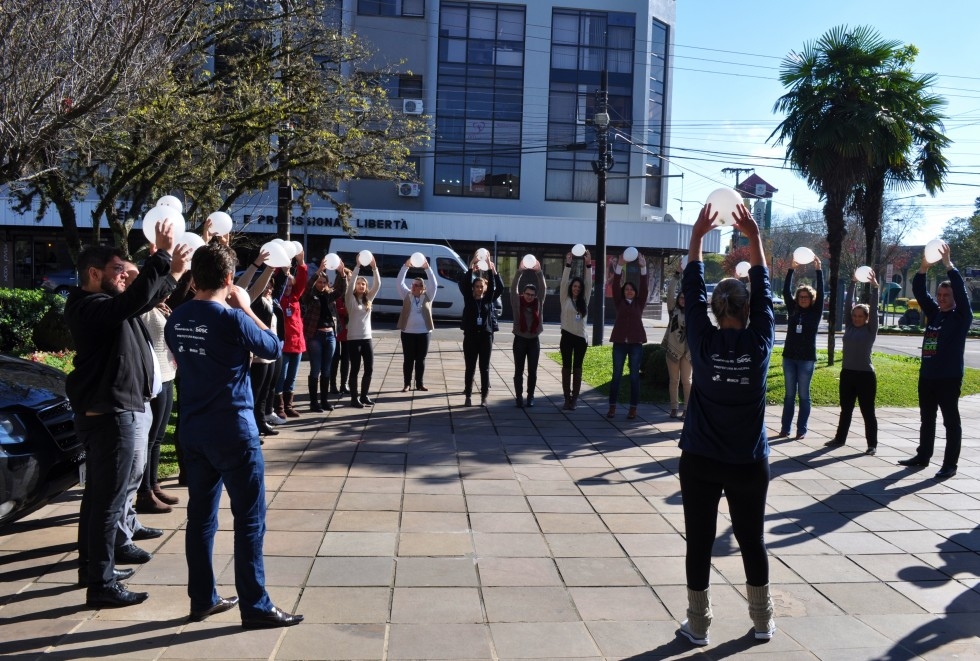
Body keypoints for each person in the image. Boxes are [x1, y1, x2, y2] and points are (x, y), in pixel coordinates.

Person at [164, 242, 303, 629]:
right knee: (249, 519)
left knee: (200, 518)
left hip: (193, 429)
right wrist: (244, 307)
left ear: (194, 279)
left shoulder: (177, 318)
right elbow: (273, 347)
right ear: (228, 279)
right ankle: (255, 606)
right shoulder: (231, 317)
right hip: (232, 430)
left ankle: (202, 598)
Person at [66, 220, 187, 608]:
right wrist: (161, 256)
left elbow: (143, 298)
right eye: (117, 270)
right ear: (93, 274)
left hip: (116, 410)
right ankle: (100, 584)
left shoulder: (107, 305)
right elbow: (130, 300)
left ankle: (92, 568)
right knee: (107, 500)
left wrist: (172, 271)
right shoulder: (92, 306)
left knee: (101, 498)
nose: (124, 276)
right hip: (111, 413)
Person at [677, 202, 775, 647]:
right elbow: (765, 287)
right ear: (748, 309)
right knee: (751, 541)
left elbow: (692, 288)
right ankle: (762, 621)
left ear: (716, 310)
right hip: (748, 462)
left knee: (698, 543)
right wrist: (753, 239)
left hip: (700, 459)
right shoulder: (759, 342)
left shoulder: (701, 338)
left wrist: (698, 236)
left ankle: (698, 627)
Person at [898, 243, 972, 480]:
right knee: (926, 418)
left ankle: (950, 464)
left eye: (946, 296)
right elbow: (920, 292)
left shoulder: (961, 317)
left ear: (955, 298)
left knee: (951, 421)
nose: (941, 299)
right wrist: (922, 268)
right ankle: (923, 456)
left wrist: (949, 265)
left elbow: (959, 289)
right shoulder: (935, 313)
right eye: (939, 295)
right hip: (927, 375)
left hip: (949, 377)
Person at [826, 272, 880, 455]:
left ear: (866, 317)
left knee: (867, 411)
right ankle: (840, 438)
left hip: (865, 376)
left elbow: (873, 310)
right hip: (847, 373)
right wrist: (852, 283)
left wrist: (875, 287)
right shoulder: (848, 326)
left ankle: (872, 444)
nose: (856, 318)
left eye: (860, 316)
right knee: (845, 409)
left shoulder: (871, 329)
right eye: (854, 315)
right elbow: (847, 304)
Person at [778, 254, 824, 439]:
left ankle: (801, 430)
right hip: (789, 358)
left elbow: (820, 290)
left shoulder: (815, 311)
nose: (803, 299)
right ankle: (785, 428)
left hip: (806, 360)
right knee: (789, 396)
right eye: (801, 296)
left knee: (803, 396)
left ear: (811, 298)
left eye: (806, 297)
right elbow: (785, 292)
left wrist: (819, 270)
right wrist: (791, 269)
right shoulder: (793, 309)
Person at [607, 251, 648, 420]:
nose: (629, 291)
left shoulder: (640, 302)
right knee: (616, 375)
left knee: (633, 377)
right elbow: (616, 285)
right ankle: (612, 407)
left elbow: (645, 286)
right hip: (619, 343)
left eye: (632, 290)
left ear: (635, 292)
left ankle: (633, 408)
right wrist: (620, 264)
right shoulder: (619, 301)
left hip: (635, 344)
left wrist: (644, 267)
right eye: (627, 289)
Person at [459, 254, 504, 407]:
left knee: (484, 368)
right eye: (476, 286)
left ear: (484, 288)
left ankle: (484, 397)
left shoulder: (488, 299)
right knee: (470, 367)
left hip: (485, 337)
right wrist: (471, 266)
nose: (479, 288)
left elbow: (495, 286)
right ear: (473, 288)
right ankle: (468, 396)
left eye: (481, 286)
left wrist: (491, 269)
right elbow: (464, 284)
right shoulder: (469, 299)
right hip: (471, 337)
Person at [305, 257, 347, 411]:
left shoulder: (329, 295)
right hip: (315, 336)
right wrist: (317, 273)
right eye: (320, 282)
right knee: (316, 369)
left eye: (324, 282)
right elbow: (306, 289)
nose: (322, 285)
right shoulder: (311, 296)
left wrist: (342, 274)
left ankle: (324, 401)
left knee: (327, 369)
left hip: (330, 336)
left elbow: (342, 290)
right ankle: (313, 402)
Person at [273, 250, 306, 418]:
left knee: (291, 377)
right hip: (284, 345)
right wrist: (282, 267)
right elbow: (278, 281)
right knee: (281, 376)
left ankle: (288, 405)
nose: (288, 288)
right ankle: (279, 408)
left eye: (291, 286)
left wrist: (301, 263)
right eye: (286, 285)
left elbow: (302, 280)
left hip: (297, 344)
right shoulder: (279, 299)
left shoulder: (295, 297)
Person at [559, 250, 593, 411]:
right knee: (566, 367)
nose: (576, 288)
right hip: (566, 336)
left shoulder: (584, 299)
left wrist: (588, 264)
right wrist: (568, 264)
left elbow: (589, 282)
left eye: (579, 287)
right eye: (574, 286)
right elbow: (564, 281)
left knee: (577, 368)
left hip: (580, 339)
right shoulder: (564, 298)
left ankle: (574, 399)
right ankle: (566, 398)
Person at [396, 258, 437, 392]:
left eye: (417, 285)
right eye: (413, 284)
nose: (413, 286)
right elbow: (399, 282)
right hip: (408, 332)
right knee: (408, 359)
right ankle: (406, 384)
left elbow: (434, 284)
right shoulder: (407, 295)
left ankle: (419, 384)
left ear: (423, 288)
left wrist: (427, 268)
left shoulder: (428, 296)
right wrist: (405, 266)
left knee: (421, 359)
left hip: (424, 333)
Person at [346, 257, 381, 408]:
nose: (361, 285)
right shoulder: (350, 299)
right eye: (359, 284)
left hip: (367, 338)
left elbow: (378, 284)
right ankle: (354, 398)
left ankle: (364, 395)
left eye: (363, 284)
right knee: (354, 369)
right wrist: (358, 267)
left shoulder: (368, 299)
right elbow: (350, 285)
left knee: (369, 368)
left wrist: (374, 268)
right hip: (353, 339)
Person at [510, 258, 546, 407]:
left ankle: (530, 396)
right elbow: (513, 288)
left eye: (532, 294)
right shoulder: (517, 302)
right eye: (527, 294)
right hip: (520, 339)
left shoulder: (538, 303)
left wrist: (539, 272)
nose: (530, 296)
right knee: (518, 370)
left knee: (532, 371)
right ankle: (519, 396)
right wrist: (519, 272)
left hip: (533, 341)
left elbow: (543, 288)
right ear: (523, 293)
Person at [664, 267, 692, 419]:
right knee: (674, 380)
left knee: (687, 381)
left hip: (688, 351)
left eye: (685, 298)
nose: (683, 300)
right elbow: (670, 294)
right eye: (681, 298)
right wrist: (676, 275)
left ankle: (687, 409)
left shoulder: (693, 313)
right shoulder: (672, 310)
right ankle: (674, 408)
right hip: (673, 349)